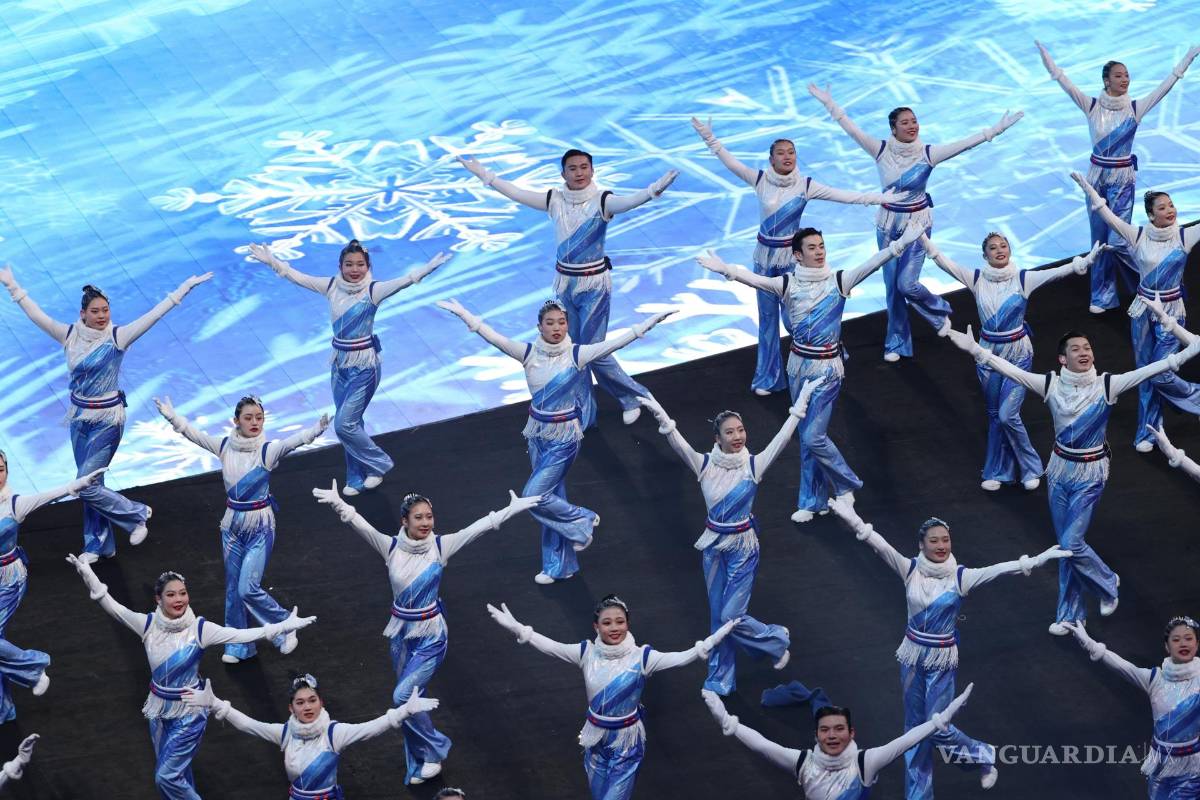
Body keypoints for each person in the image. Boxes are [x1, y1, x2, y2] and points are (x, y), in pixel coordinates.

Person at [943, 324, 1200, 632]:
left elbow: (1149, 370)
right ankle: (1069, 615)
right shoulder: (1050, 384)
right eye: (1076, 349)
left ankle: (1107, 581)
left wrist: (1187, 352)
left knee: (1071, 541)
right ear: (1062, 359)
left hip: (1090, 473)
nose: (1084, 352)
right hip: (1058, 470)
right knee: (1065, 547)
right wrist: (977, 351)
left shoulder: (1108, 385)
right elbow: (1012, 371)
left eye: (1088, 348)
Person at [827, 500, 1069, 797]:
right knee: (913, 733)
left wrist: (1032, 561)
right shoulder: (910, 569)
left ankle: (982, 755)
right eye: (934, 540)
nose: (941, 545)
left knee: (938, 728)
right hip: (912, 656)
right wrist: (853, 518)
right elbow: (879, 545)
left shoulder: (960, 577)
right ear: (921, 544)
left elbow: (998, 570)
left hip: (942, 659)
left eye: (945, 539)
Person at [311, 483, 540, 785]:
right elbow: (357, 521)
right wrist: (337, 503)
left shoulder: (441, 547)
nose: (425, 523)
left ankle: (434, 750)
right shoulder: (389, 547)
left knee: (402, 696)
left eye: (429, 517)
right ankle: (419, 761)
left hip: (432, 635)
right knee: (408, 702)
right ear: (404, 521)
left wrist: (510, 509)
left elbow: (479, 528)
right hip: (400, 634)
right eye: (418, 518)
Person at [696, 222, 923, 522]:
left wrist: (902, 242)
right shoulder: (787, 284)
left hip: (827, 369)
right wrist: (726, 269)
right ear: (797, 256)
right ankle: (812, 500)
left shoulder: (839, 280)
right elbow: (754, 280)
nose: (819, 252)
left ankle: (846, 485)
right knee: (806, 436)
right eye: (812, 248)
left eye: (821, 246)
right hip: (797, 366)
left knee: (815, 436)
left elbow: (874, 262)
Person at [438, 298, 672, 583]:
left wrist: (645, 325)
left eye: (561, 322)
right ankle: (558, 565)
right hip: (536, 434)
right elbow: (492, 336)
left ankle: (583, 519)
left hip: (564, 438)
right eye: (550, 323)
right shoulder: (527, 353)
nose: (557, 328)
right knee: (551, 496)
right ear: (539, 326)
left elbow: (614, 345)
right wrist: (465, 314)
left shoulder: (576, 355)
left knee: (533, 496)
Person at [0, 267, 212, 562]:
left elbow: (152, 316)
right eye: (96, 311)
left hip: (107, 421)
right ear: (83, 312)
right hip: (78, 419)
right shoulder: (70, 335)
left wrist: (182, 289)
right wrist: (13, 286)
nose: (103, 316)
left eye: (106, 310)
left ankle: (137, 514)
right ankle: (99, 546)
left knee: (84, 484)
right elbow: (37, 316)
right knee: (91, 484)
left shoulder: (117, 336)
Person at [457, 150, 677, 428]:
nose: (579, 172)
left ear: (593, 170)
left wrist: (652, 190)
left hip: (594, 284)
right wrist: (485, 175)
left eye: (584, 167)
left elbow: (628, 202)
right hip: (564, 283)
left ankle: (634, 396)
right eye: (572, 168)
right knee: (571, 351)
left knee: (594, 350)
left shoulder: (603, 200)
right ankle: (585, 412)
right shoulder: (554, 199)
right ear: (563, 174)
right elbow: (517, 194)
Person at [65, 557, 315, 799]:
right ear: (158, 599)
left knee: (166, 777)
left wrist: (282, 626)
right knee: (177, 773)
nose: (179, 599)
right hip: (158, 710)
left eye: (182, 593)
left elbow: (240, 635)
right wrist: (90, 577)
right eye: (171, 594)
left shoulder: (200, 629)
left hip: (190, 711)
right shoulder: (148, 625)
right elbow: (115, 608)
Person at [806, 84, 1022, 361]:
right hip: (887, 226)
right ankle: (896, 343)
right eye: (905, 122)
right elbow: (851, 129)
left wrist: (994, 131)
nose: (912, 126)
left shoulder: (928, 154)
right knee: (892, 287)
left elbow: (964, 144)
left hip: (917, 226)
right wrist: (830, 104)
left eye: (914, 121)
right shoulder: (881, 150)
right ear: (893, 129)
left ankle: (938, 309)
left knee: (906, 284)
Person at [634, 377, 823, 694]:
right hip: (712, 546)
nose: (738, 436)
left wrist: (801, 403)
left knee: (731, 614)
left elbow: (782, 437)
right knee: (717, 618)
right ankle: (721, 677)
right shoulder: (704, 464)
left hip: (744, 547)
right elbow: (677, 442)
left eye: (741, 430)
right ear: (717, 437)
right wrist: (661, 417)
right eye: (730, 432)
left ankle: (775, 639)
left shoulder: (753, 464)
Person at [689, 118, 894, 394]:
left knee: (793, 318)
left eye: (792, 152)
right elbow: (730, 162)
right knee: (767, 318)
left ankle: (831, 345)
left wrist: (877, 199)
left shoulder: (805, 185)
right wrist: (709, 138)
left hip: (792, 260)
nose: (787, 157)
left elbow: (842, 195)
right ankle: (768, 378)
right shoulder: (760, 179)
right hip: (764, 258)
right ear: (770, 159)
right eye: (781, 153)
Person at [247, 240, 449, 495]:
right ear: (340, 266)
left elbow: (404, 281)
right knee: (354, 423)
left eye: (360, 265)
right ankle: (355, 476)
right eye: (349, 264)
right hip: (339, 365)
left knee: (344, 424)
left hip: (365, 367)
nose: (355, 270)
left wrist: (425, 269)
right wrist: (273, 261)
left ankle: (379, 464)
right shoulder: (331, 287)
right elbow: (298, 277)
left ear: (368, 266)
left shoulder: (373, 291)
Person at [487, 595, 737, 800]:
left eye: (620, 621)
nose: (614, 628)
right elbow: (551, 646)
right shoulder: (586, 652)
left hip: (627, 741)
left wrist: (708, 643)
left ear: (628, 623)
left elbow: (682, 657)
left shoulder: (643, 658)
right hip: (594, 737)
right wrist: (519, 628)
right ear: (596, 626)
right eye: (607, 623)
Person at [154, 395, 328, 664]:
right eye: (248, 418)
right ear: (236, 421)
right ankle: (239, 647)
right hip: (232, 526)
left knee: (248, 588)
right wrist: (173, 417)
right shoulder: (224, 446)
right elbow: (195, 435)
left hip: (260, 526)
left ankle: (284, 625)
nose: (255, 422)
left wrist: (316, 430)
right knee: (235, 588)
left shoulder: (267, 450)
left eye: (259, 417)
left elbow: (294, 442)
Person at [924, 233, 1102, 489]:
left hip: (1018, 352)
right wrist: (922, 240)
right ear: (984, 255)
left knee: (1008, 415)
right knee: (995, 414)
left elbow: (1055, 273)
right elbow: (943, 261)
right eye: (993, 248)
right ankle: (998, 471)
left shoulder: (1023, 278)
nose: (999, 251)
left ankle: (1031, 467)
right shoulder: (976, 279)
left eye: (1004, 246)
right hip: (987, 352)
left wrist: (1082, 262)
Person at [1036, 42, 1200, 313]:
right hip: (1095, 176)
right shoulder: (1091, 106)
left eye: (1127, 75)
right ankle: (1103, 296)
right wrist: (1048, 62)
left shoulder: (1135, 108)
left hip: (1122, 178)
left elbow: (1166, 85)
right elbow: (1065, 83)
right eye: (1119, 75)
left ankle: (1154, 283)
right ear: (1106, 80)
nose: (1125, 80)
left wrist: (1188, 57)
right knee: (1099, 241)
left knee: (1117, 241)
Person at [1070, 176, 1200, 451]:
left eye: (1171, 205)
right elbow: (1108, 217)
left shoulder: (1184, 235)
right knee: (1144, 372)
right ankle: (1148, 432)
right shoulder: (1138, 235)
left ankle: (1196, 399)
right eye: (1163, 207)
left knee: (1161, 372)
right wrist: (1091, 191)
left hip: (1172, 312)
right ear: (1151, 214)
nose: (1170, 210)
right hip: (1142, 310)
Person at [181, 674, 439, 798]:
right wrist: (215, 703)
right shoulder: (285, 734)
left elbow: (371, 728)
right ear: (291, 708)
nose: (307, 707)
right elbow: (249, 724)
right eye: (301, 702)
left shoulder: (333, 733)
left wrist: (405, 710)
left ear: (321, 702)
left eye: (312, 700)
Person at [701, 685, 974, 799]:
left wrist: (941, 719)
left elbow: (905, 741)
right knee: (823, 705)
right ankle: (813, 697)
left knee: (824, 706)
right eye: (825, 731)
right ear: (816, 735)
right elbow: (762, 746)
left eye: (839, 730)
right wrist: (727, 720)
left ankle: (815, 697)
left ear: (852, 733)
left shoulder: (865, 763)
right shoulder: (803, 762)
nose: (831, 736)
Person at [0, 453, 103, 721]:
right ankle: (4, 709)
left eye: (0, 469)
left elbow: (49, 496)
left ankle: (34, 666)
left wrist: (77, 485)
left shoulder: (14, 504)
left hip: (9, 579)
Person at [1062, 616, 1200, 798]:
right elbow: (1124, 667)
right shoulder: (1155, 679)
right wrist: (1090, 644)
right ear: (1167, 647)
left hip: (1191, 769)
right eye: (1176, 639)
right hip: (1159, 763)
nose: (1183, 643)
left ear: (1197, 645)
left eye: (1188, 638)